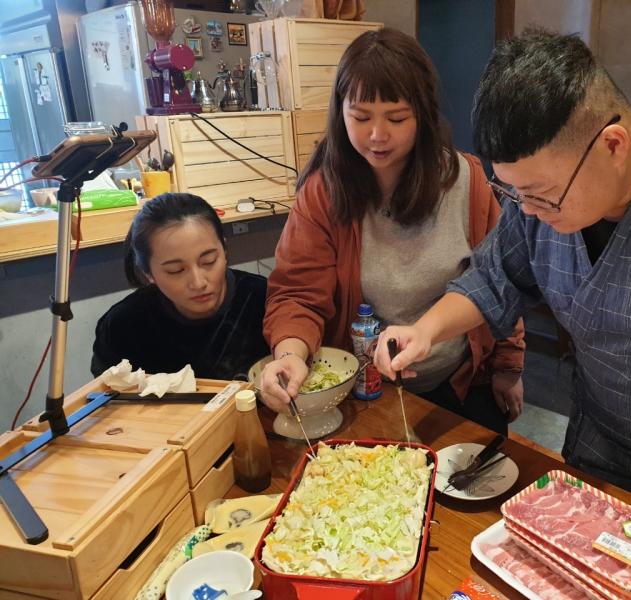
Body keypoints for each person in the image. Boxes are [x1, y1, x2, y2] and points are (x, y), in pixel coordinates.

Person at [374, 28, 631, 562]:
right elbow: (492, 277)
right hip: (594, 468)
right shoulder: (539, 202)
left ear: (612, 145)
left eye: (542, 196)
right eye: (513, 193)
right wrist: (424, 330)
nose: (526, 212)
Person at [258, 28, 525, 435]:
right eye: (360, 117)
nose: (377, 135)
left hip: (461, 379)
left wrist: (508, 367)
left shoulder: (465, 181)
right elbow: (297, 293)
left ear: (423, 113)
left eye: (396, 118)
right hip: (366, 390)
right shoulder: (324, 192)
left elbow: (500, 279)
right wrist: (291, 354)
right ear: (340, 112)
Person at [91, 193, 269, 380]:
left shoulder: (263, 299)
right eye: (175, 270)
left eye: (208, 261)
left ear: (224, 251)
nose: (198, 283)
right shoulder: (123, 326)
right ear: (148, 273)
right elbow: (107, 400)